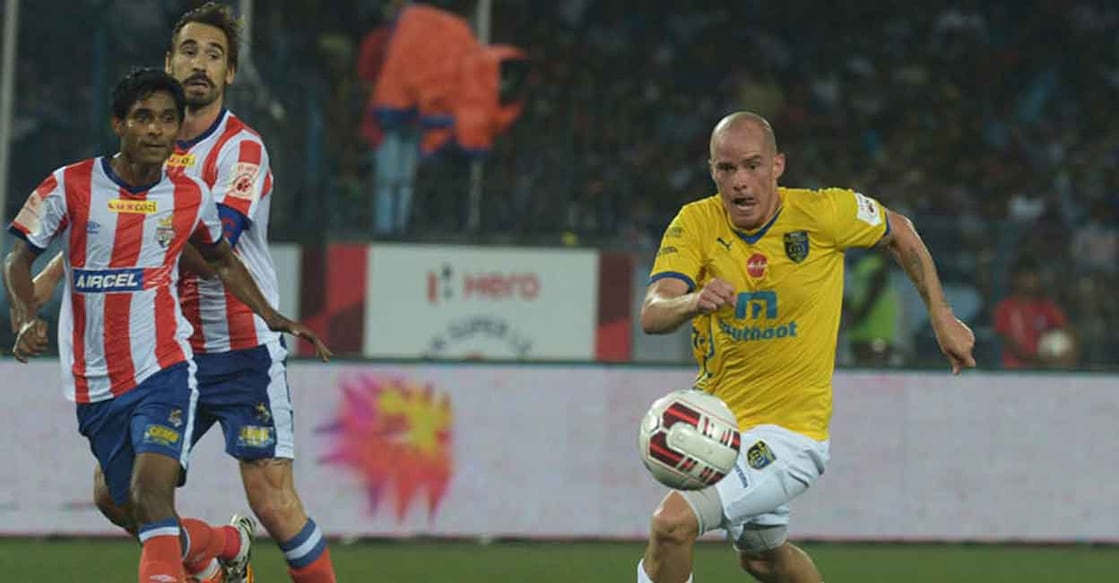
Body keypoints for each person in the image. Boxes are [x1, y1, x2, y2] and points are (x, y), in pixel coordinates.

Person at [33, 4, 338, 582]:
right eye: (190, 52)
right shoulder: (148, 148)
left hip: (242, 348)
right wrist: (55, 272)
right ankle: (222, 547)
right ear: (169, 63)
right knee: (117, 494)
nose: (200, 64)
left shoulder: (241, 151)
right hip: (168, 352)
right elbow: (101, 225)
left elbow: (210, 247)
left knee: (272, 502)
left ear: (230, 76)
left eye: (215, 56)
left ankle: (236, 548)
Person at [638, 112, 976, 583]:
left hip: (791, 437)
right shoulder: (695, 222)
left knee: (671, 525)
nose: (740, 183)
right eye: (726, 169)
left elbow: (899, 230)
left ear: (778, 166)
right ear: (712, 171)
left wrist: (941, 317)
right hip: (721, 430)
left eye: (752, 166)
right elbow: (654, 312)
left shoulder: (822, 214)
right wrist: (694, 301)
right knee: (761, 558)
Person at [993, 256, 1071, 369]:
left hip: (1046, 372)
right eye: (1026, 276)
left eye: (1034, 276)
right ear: (1015, 279)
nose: (1031, 280)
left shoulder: (1047, 307)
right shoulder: (1005, 308)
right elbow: (1009, 343)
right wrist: (1040, 362)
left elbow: (1067, 331)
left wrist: (1066, 354)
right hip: (1013, 373)